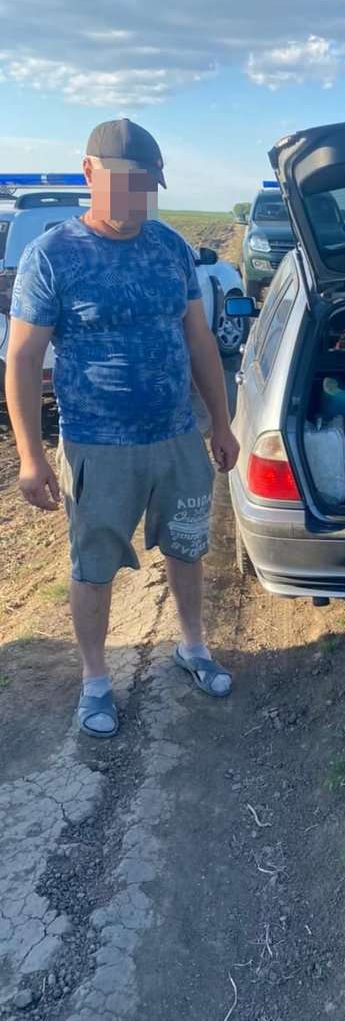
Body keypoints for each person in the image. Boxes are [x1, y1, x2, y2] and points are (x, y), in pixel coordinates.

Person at [6, 118, 240, 738]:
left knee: (187, 547)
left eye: (147, 186)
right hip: (98, 445)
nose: (137, 200)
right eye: (126, 183)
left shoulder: (169, 247)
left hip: (176, 436)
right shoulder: (52, 255)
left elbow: (199, 339)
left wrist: (220, 422)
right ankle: (94, 681)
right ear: (90, 172)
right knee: (94, 565)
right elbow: (23, 359)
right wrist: (31, 455)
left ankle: (192, 647)